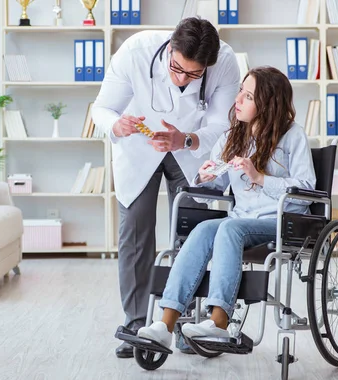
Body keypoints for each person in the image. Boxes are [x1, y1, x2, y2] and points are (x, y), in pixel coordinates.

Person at [135, 66, 317, 348]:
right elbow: (217, 189)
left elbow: (305, 188)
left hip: (282, 221)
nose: (238, 100)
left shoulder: (293, 135)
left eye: (248, 96)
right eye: (240, 92)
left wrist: (260, 178)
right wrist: (204, 175)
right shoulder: (234, 136)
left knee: (230, 228)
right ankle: (165, 324)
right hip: (241, 219)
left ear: (268, 103)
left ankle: (220, 322)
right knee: (204, 229)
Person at [91, 17, 241, 358]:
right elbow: (101, 108)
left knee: (193, 236)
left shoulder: (226, 62)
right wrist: (118, 123)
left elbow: (221, 124)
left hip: (190, 149)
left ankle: (186, 325)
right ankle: (135, 324)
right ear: (170, 48)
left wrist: (185, 139)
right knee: (136, 232)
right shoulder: (136, 50)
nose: (180, 79)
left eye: (192, 75)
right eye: (176, 69)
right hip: (137, 146)